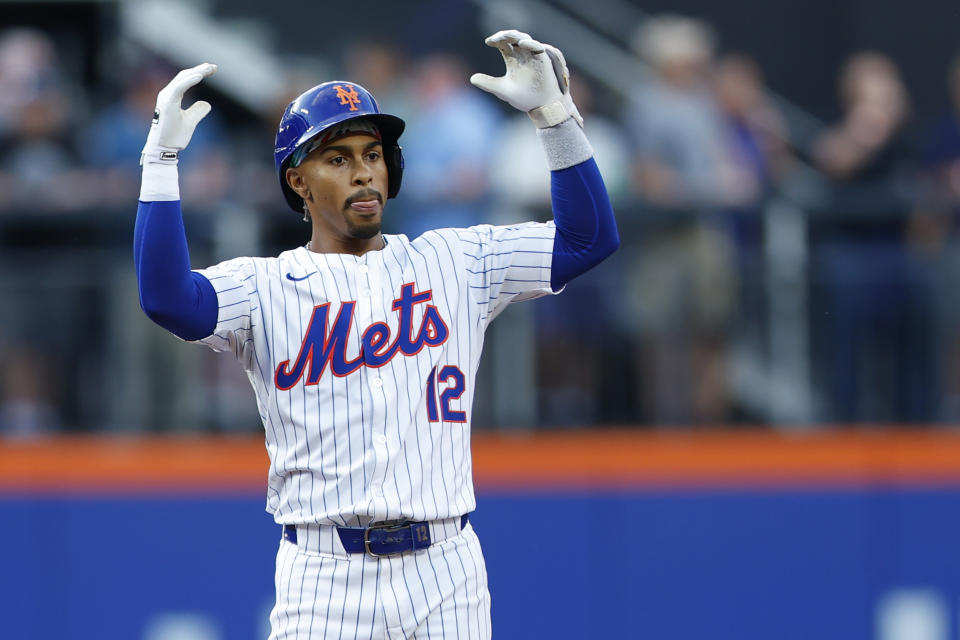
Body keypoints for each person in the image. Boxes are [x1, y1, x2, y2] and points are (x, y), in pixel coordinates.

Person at [134, 30, 618, 639]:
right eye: (338, 159)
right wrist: (161, 163)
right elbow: (166, 299)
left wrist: (555, 119)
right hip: (322, 572)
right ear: (298, 183)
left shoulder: (458, 260)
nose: (363, 172)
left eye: (372, 154)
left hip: (445, 568)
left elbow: (587, 240)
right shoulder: (263, 286)